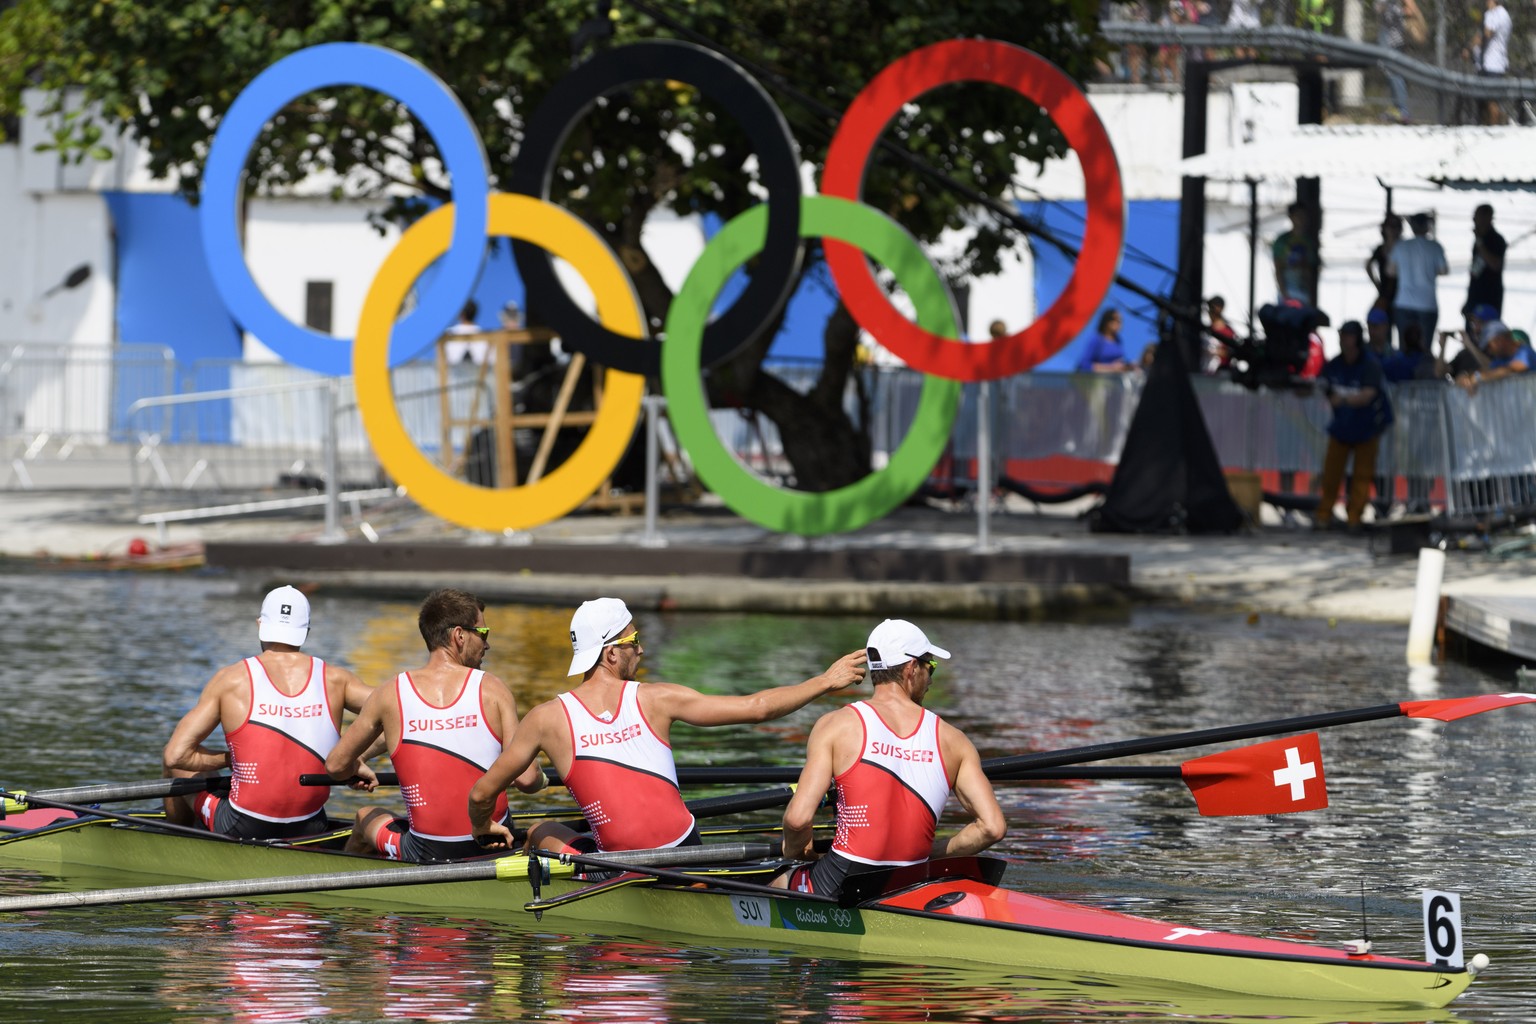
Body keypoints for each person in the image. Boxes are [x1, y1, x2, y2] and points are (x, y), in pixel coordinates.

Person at [467, 598, 867, 854]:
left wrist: (483, 826)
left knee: (540, 828)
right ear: (610, 654)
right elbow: (758, 708)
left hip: (623, 866)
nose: (640, 648)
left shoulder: (544, 719)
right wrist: (825, 681)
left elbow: (482, 792)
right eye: (633, 639)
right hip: (683, 850)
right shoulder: (656, 699)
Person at [773, 619, 1006, 899]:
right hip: (912, 879)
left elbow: (798, 820)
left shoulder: (835, 725)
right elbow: (992, 827)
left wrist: (798, 855)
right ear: (911, 668)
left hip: (842, 878)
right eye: (930, 666)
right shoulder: (954, 740)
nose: (931, 678)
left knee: (777, 879)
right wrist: (929, 855)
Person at [324, 588, 546, 861]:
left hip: (424, 850)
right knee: (543, 830)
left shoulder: (390, 692)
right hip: (495, 843)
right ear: (459, 636)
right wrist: (543, 780)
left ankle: (352, 892)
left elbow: (335, 766)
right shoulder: (492, 689)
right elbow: (526, 779)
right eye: (483, 633)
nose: (486, 644)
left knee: (365, 816)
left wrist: (356, 762)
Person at [162, 586, 373, 840]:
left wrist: (231, 760)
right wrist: (350, 759)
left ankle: (176, 839)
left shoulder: (231, 679)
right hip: (311, 825)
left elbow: (176, 755)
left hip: (241, 825)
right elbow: (399, 708)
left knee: (174, 767)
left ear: (260, 625)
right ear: (305, 632)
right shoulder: (338, 679)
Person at [1315, 321, 1394, 531]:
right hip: (1342, 427)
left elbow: (1368, 395)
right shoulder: (1335, 363)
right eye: (1341, 335)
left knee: (1361, 477)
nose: (1343, 340)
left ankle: (1354, 518)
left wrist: (1342, 399)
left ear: (1357, 339)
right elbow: (1322, 383)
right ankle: (1324, 514)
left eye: (1347, 335)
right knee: (1331, 474)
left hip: (1366, 428)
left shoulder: (1369, 364)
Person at [1386, 212, 1447, 352]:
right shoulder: (1435, 246)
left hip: (1403, 303)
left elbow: (1390, 271)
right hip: (1427, 304)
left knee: (1404, 347)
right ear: (1428, 227)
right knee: (1425, 349)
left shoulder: (1400, 246)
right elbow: (1443, 271)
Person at [1455, 320, 1533, 395]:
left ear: (1499, 340)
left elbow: (1509, 370)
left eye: (1489, 346)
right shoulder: (1501, 360)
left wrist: (1476, 378)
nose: (1489, 351)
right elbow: (1487, 371)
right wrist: (1466, 377)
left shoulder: (1525, 351)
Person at [1463, 204, 1507, 328]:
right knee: (1471, 333)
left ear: (1487, 218)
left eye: (1477, 217)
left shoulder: (1497, 240)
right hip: (1475, 297)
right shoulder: (1478, 241)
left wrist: (1481, 245)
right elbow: (1475, 272)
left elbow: (1495, 265)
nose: (1474, 221)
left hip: (1490, 298)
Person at [1469, 0, 1512, 124]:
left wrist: (1469, 47)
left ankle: (1495, 129)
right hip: (1485, 64)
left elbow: (1487, 33)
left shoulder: (1498, 13)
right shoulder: (1492, 14)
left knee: (1492, 102)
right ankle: (1486, 125)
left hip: (1494, 65)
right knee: (1482, 103)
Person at [1272, 203, 1321, 306]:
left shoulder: (1309, 243)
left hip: (1304, 294)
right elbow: (1278, 268)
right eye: (1298, 215)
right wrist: (1284, 293)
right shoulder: (1282, 241)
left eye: (1303, 215)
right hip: (1288, 293)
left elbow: (1310, 271)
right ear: (1291, 217)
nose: (1301, 219)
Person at [1364, 214, 1402, 345]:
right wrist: (1376, 283)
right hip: (1385, 294)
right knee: (1381, 328)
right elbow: (1368, 265)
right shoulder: (1380, 249)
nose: (1392, 230)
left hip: (1401, 294)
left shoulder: (1403, 248)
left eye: (1395, 227)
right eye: (1390, 226)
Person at [1374, 0, 1411, 122]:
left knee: (1395, 75)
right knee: (1390, 74)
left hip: (1393, 38)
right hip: (1388, 35)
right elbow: (1379, 8)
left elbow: (1408, 7)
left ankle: (1402, 110)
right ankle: (1397, 108)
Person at [1074, 309, 1131, 373]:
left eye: (1120, 320)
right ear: (1107, 321)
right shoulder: (1097, 339)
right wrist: (1111, 368)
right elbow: (1084, 364)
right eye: (1115, 319)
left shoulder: (1118, 342)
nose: (1118, 323)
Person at [443, 300, 488, 365]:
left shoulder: (448, 334)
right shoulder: (486, 336)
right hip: (481, 373)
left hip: (455, 374)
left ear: (461, 313)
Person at [1204, 295, 1236, 373]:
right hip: (1205, 374)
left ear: (1220, 308)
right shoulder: (1206, 330)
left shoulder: (1228, 332)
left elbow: (1231, 353)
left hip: (1221, 375)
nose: (1209, 311)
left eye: (1212, 307)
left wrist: (1214, 351)